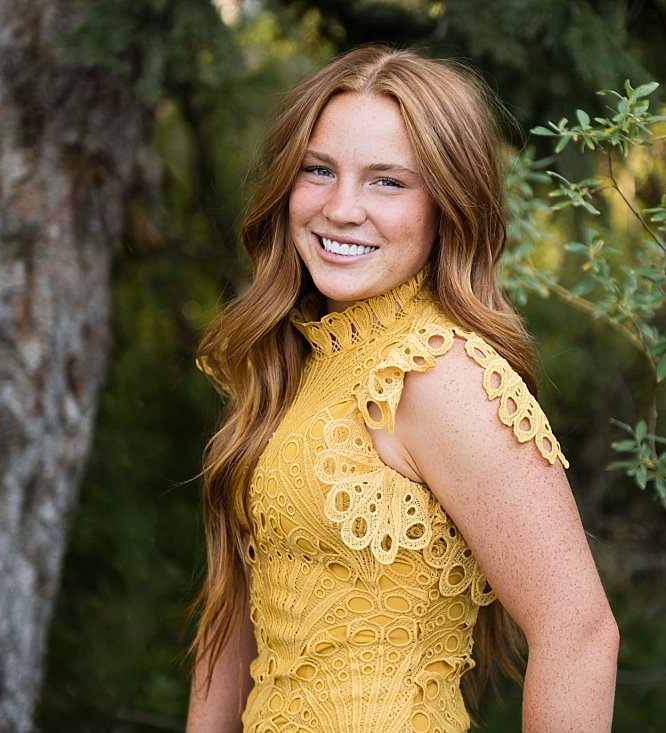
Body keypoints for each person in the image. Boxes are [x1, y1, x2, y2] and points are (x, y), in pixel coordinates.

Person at [187, 46, 619, 733]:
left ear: (447, 205)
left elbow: (580, 633)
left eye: (387, 182)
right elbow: (239, 605)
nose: (341, 207)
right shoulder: (290, 360)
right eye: (318, 170)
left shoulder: (441, 374)